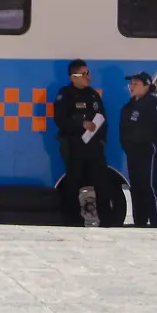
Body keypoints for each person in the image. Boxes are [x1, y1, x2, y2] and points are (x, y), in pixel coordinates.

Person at [53, 59, 117, 227]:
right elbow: (60, 120)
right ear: (73, 77)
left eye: (88, 73)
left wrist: (101, 141)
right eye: (83, 74)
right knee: (73, 184)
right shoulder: (64, 95)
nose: (88, 77)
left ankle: (107, 220)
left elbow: (103, 119)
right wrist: (80, 124)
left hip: (94, 149)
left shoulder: (92, 94)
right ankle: (73, 221)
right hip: (74, 148)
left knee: (102, 183)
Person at [119, 72, 157, 228]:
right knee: (135, 186)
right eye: (131, 84)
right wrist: (127, 146)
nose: (132, 87)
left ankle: (156, 221)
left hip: (148, 150)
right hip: (132, 151)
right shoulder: (128, 106)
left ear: (146, 86)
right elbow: (123, 129)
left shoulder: (154, 104)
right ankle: (139, 221)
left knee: (148, 184)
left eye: (136, 84)